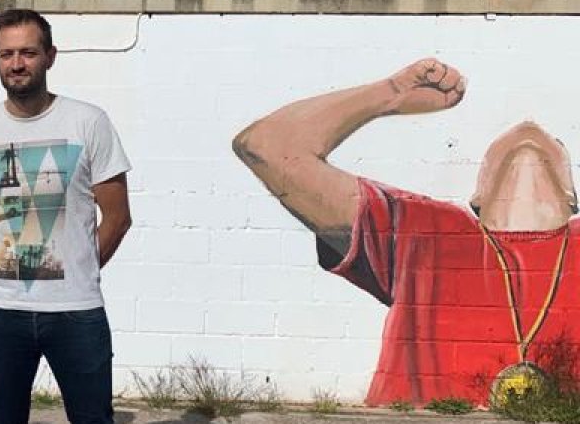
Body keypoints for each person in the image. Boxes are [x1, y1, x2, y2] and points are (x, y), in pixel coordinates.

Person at [233, 58, 580, 406]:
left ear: (572, 198)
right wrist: (390, 94)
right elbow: (266, 146)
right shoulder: (428, 231)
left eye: (556, 145)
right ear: (478, 198)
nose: (528, 127)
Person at [0, 9, 132, 424]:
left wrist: (81, 267)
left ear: (50, 56)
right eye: (7, 54)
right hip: (1, 313)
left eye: (28, 52)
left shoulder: (88, 122)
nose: (17, 63)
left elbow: (118, 216)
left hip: (77, 311)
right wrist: (13, 261)